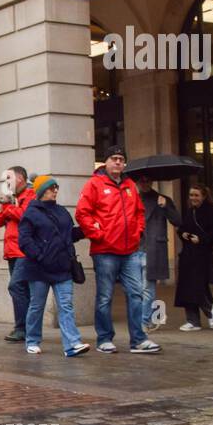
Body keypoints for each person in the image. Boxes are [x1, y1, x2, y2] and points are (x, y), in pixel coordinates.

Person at [75, 146, 159, 354]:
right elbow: (82, 213)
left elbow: (139, 211)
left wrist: (137, 231)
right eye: (115, 159)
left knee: (136, 295)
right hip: (105, 251)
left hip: (130, 250)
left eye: (122, 159)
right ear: (106, 162)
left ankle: (138, 339)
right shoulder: (94, 184)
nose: (119, 162)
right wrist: (98, 234)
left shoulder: (130, 185)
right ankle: (104, 339)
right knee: (105, 296)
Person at [17, 175, 89, 357]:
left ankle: (72, 344)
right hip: (38, 269)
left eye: (56, 187)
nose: (55, 190)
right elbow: (24, 241)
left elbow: (68, 235)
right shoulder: (30, 213)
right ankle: (32, 340)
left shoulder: (62, 211)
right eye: (51, 188)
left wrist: (84, 231)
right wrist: (40, 256)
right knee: (37, 305)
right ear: (41, 191)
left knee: (66, 305)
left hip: (63, 267)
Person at [173, 183, 213, 330]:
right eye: (191, 195)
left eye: (196, 195)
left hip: (203, 254)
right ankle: (192, 320)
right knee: (186, 287)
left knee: (199, 287)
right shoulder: (190, 211)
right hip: (188, 254)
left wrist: (202, 239)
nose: (193, 198)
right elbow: (183, 228)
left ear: (203, 196)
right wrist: (183, 234)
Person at [0, 166, 34, 342]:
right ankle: (25, 328)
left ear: (20, 179)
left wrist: (7, 207)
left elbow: (25, 215)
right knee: (22, 289)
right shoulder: (14, 199)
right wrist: (4, 205)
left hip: (23, 251)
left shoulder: (30, 196)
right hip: (12, 252)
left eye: (9, 178)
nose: (6, 182)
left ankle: (22, 328)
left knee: (16, 286)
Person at [134, 174, 181, 329]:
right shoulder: (132, 198)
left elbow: (177, 221)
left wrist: (166, 205)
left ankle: (144, 322)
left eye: (147, 180)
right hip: (134, 248)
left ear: (152, 181)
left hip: (153, 248)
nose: (145, 182)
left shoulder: (162, 199)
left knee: (147, 288)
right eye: (142, 180)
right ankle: (145, 318)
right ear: (138, 182)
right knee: (137, 289)